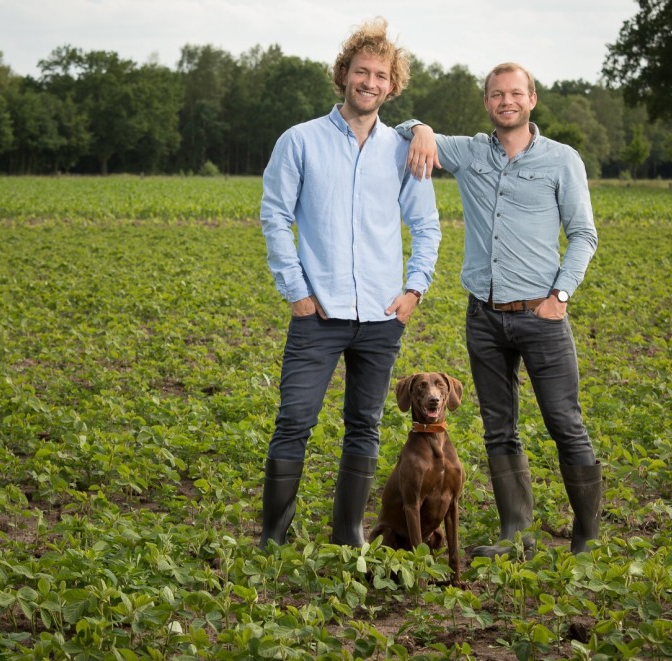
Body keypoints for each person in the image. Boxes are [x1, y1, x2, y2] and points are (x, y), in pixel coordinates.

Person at [396, 62, 602, 556]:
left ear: (532, 99)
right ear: (486, 102)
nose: (506, 101)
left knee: (565, 423)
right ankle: (517, 535)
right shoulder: (469, 153)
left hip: (541, 314)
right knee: (499, 427)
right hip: (484, 317)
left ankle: (588, 539)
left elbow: (583, 235)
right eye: (496, 94)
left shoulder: (561, 159)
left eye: (515, 93)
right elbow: (401, 127)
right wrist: (421, 129)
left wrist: (560, 298)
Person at [258, 18, 441, 549]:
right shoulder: (300, 141)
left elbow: (426, 225)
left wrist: (414, 290)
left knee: (365, 425)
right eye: (361, 71)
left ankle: (348, 534)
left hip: (382, 317)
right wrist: (295, 290)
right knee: (294, 421)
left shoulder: (403, 148)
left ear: (392, 85)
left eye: (380, 75)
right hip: (318, 314)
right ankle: (273, 537)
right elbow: (275, 217)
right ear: (344, 76)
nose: (370, 82)